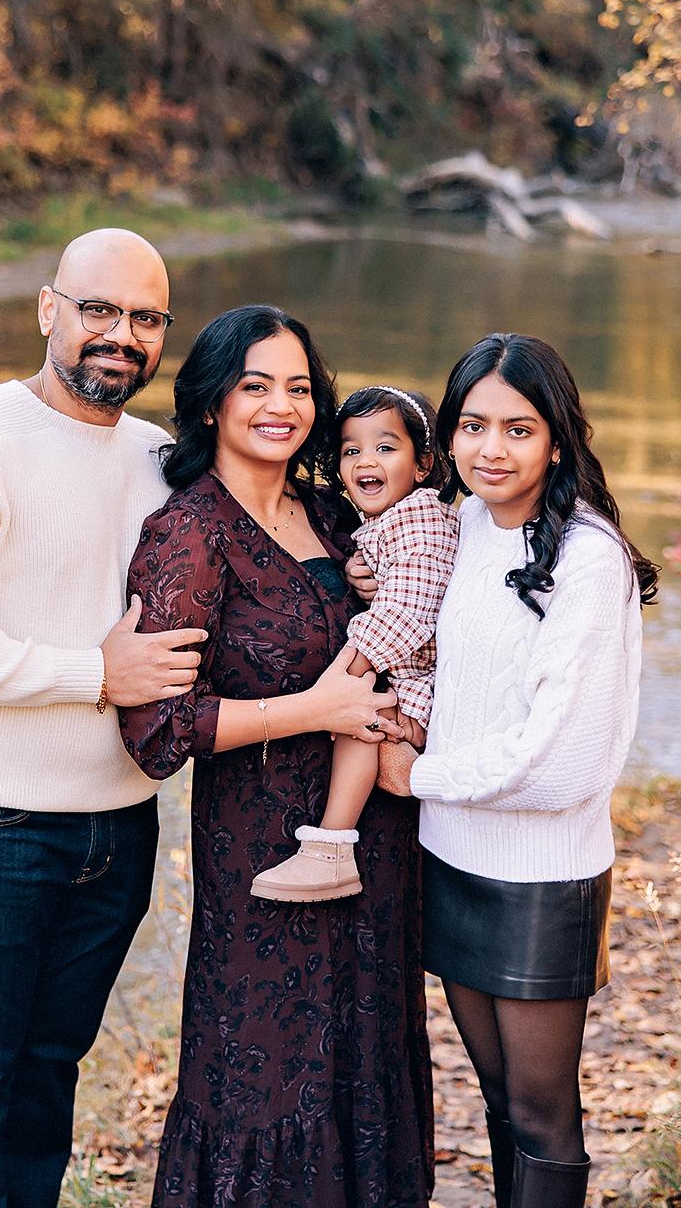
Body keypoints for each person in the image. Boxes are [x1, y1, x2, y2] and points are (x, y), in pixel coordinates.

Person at [0, 228, 209, 1208]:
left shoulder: (161, 459)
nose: (120, 334)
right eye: (98, 309)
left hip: (117, 826)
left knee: (48, 1068)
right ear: (47, 308)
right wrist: (91, 673)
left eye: (144, 318)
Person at [118, 305, 436, 1206]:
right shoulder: (188, 533)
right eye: (256, 385)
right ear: (213, 401)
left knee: (367, 1057)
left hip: (376, 842)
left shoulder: (340, 514)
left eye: (299, 387)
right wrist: (314, 707)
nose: (281, 405)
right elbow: (158, 730)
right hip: (261, 858)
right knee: (268, 1077)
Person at [374, 333, 656, 1208]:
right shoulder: (453, 526)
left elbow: (560, 761)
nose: (491, 450)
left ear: (558, 439)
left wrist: (415, 776)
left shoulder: (586, 556)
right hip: (451, 856)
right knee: (495, 1099)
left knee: (542, 1115)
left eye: (518, 429)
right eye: (472, 426)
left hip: (541, 878)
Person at [251, 384, 459, 902]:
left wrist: (345, 675)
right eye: (352, 450)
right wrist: (356, 568)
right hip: (414, 677)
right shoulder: (388, 520)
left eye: (386, 447)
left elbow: (406, 612)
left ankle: (331, 850)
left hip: (423, 686)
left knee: (357, 722)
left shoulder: (422, 516)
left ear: (424, 464)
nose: (367, 460)